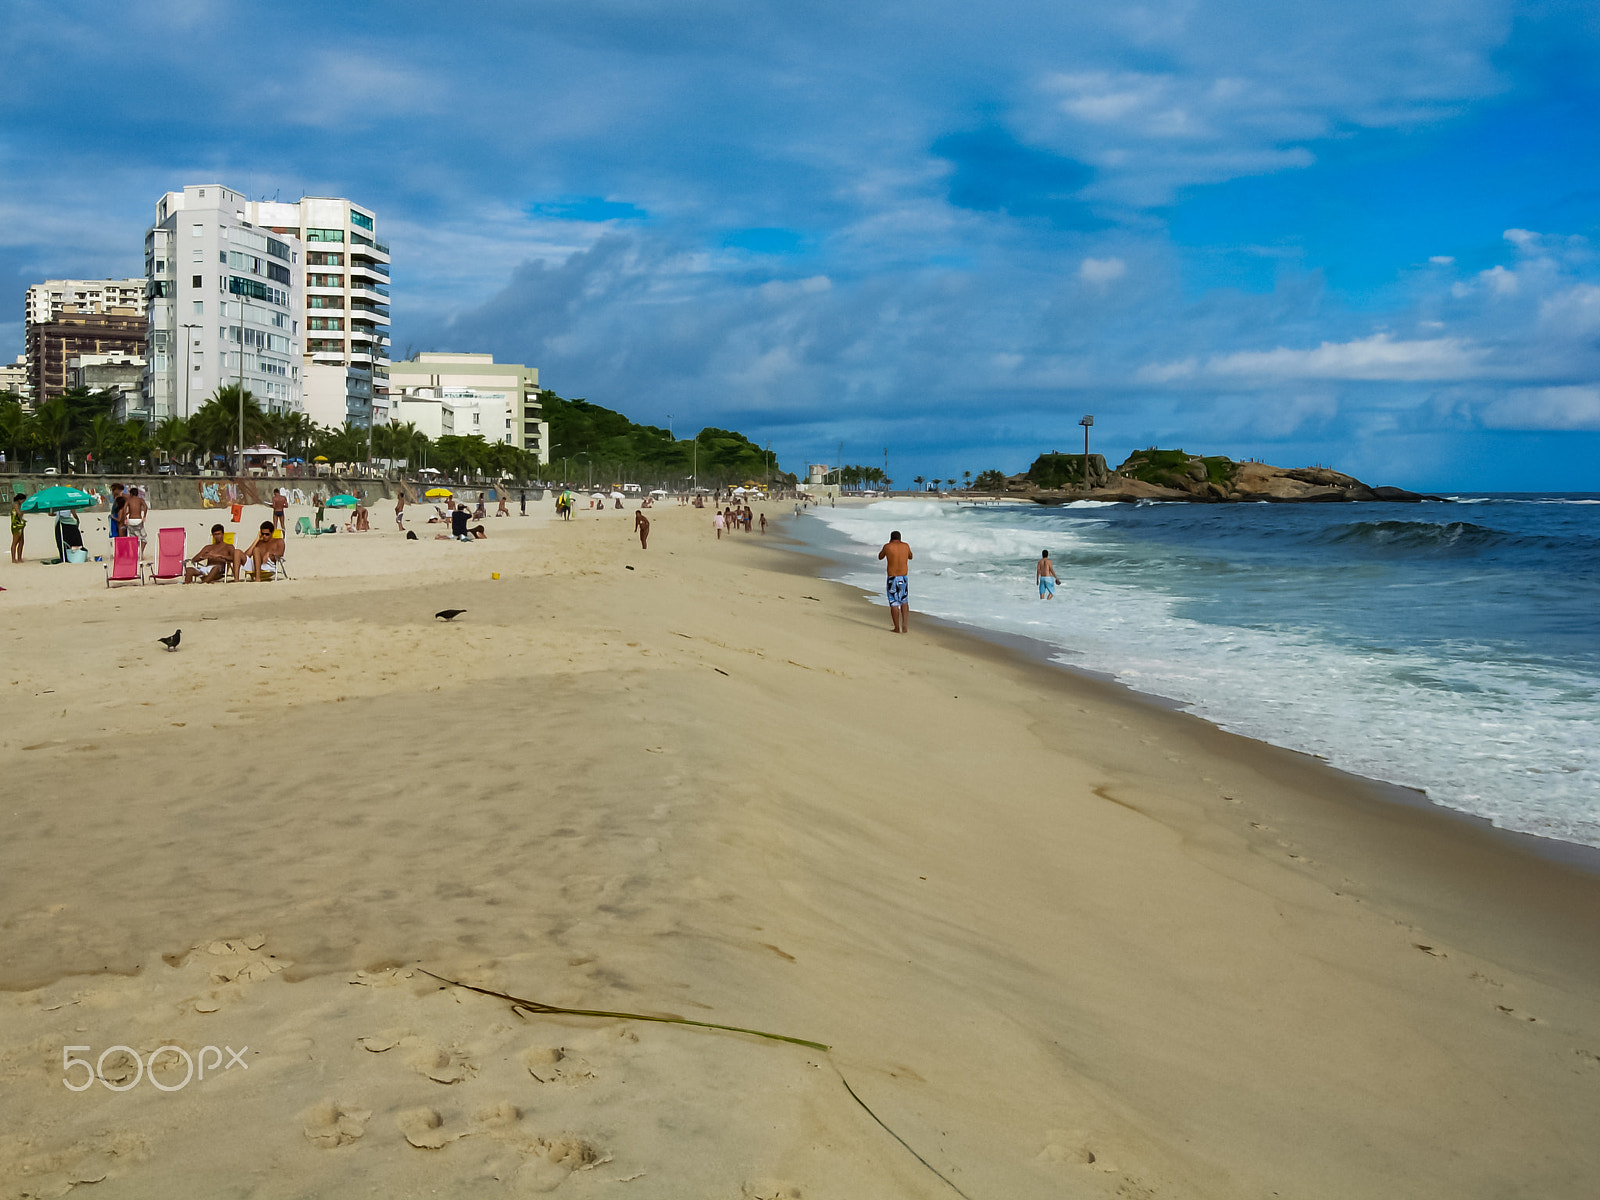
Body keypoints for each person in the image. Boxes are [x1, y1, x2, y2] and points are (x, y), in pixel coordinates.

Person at [877, 530, 913, 633]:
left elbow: (880, 557)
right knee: (904, 601)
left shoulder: (888, 546)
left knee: (894, 603)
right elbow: (910, 556)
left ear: (891, 538)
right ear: (900, 538)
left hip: (892, 578)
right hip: (903, 577)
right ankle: (905, 625)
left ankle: (897, 628)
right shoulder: (906, 546)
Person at [123, 486, 150, 560]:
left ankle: (135, 553)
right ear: (137, 494)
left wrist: (125, 518)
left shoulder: (128, 500)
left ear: (131, 494)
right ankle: (140, 552)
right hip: (138, 520)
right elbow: (145, 507)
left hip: (131, 520)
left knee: (133, 538)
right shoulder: (140, 500)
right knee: (143, 538)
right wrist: (144, 516)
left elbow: (124, 508)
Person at [9, 490, 25, 564]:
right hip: (16, 525)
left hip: (20, 525)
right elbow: (19, 514)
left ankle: (19, 558)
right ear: (19, 500)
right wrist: (22, 511)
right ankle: (13, 559)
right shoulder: (16, 505)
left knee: (21, 542)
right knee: (15, 542)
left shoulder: (19, 505)